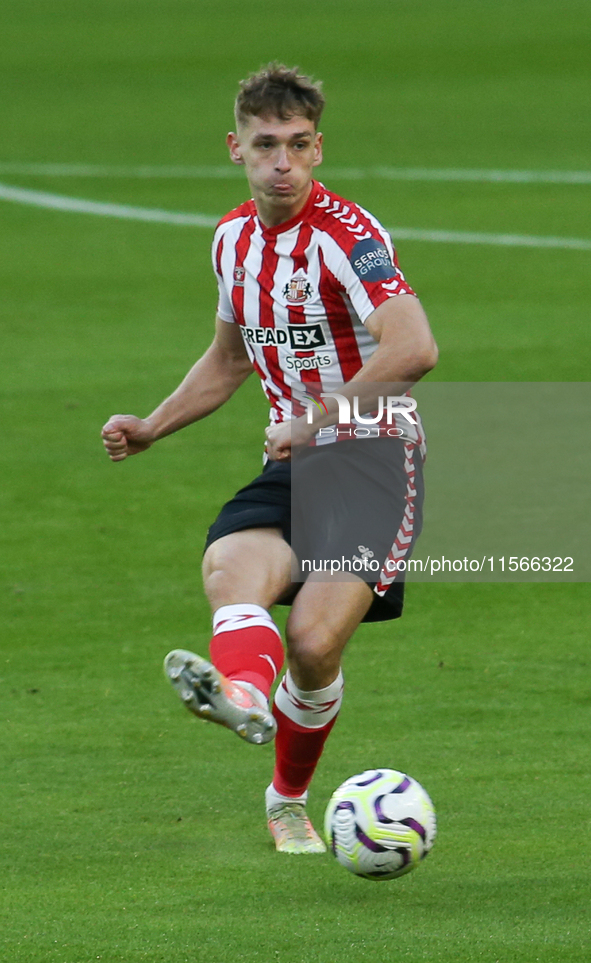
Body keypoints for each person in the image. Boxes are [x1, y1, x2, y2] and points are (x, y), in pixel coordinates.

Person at [102, 63, 438, 855]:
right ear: (236, 149)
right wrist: (154, 425)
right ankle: (243, 696)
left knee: (316, 645)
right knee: (230, 565)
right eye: (264, 145)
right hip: (296, 461)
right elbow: (228, 360)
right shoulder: (232, 242)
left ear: (317, 149)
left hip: (373, 459)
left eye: (295, 145)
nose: (281, 162)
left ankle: (286, 795)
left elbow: (415, 347)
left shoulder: (349, 237)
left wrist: (316, 420)